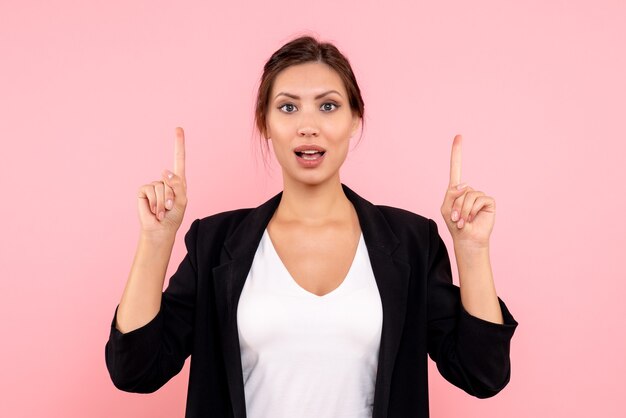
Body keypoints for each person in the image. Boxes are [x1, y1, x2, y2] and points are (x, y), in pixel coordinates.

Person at [105, 35, 518, 418]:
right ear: (265, 123)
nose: (308, 124)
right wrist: (157, 241)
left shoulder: (411, 242)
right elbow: (136, 371)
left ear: (355, 119)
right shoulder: (214, 242)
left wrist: (473, 250)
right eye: (287, 107)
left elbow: (481, 375)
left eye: (328, 105)